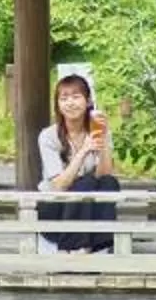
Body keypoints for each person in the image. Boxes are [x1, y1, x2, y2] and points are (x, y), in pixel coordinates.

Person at [33, 73, 122, 253]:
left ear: (88, 101)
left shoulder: (98, 129)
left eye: (76, 96)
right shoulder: (48, 136)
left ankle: (100, 245)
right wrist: (83, 151)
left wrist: (103, 140)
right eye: (64, 98)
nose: (70, 103)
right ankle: (73, 247)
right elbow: (59, 185)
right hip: (55, 208)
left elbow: (104, 174)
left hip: (87, 207)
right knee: (86, 182)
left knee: (109, 182)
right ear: (58, 104)